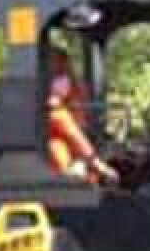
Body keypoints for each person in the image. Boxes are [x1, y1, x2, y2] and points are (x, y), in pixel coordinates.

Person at [46, 47, 119, 185]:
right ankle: (92, 163)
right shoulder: (45, 92)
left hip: (75, 134)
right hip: (50, 134)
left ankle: (88, 168)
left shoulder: (72, 83)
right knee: (57, 116)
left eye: (56, 60)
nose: (52, 64)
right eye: (50, 60)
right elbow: (52, 103)